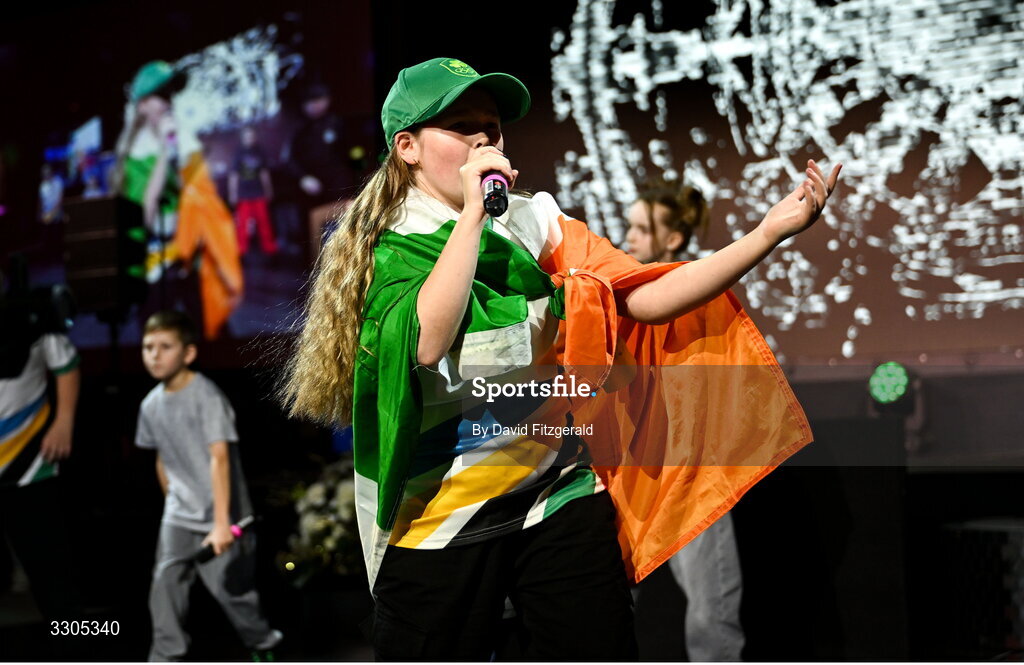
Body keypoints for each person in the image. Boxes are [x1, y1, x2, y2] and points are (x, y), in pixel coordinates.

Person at [280, 57, 841, 661]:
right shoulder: (387, 244)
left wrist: (766, 232)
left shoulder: (535, 218)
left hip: (556, 494)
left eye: (491, 128)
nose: (482, 141)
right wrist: (472, 215)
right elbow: (426, 340)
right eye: (460, 126)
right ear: (408, 148)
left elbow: (644, 296)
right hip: (438, 519)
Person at [625, 179, 744, 661]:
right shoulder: (626, 290)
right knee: (606, 595)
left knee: (710, 605)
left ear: (673, 238)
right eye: (629, 226)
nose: (628, 237)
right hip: (633, 467)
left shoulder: (698, 287)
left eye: (640, 228)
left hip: (691, 468)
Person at [135, 310, 281, 661]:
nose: (154, 355)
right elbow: (162, 458)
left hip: (222, 513)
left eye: (165, 346)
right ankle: (165, 656)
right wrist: (172, 499)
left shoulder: (206, 396)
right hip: (180, 515)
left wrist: (220, 524)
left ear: (188, 353)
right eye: (148, 347)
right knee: (165, 587)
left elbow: (219, 459)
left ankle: (263, 643)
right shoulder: (150, 404)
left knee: (231, 592)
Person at [114, 61, 244, 340]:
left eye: (170, 95)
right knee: (161, 341)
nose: (168, 102)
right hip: (155, 266)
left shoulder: (183, 143)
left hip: (189, 259)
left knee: (215, 332)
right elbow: (146, 217)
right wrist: (164, 151)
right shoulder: (135, 155)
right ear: (142, 106)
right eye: (160, 95)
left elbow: (202, 198)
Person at [0, 274, 83, 642]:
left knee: (50, 571)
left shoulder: (33, 318)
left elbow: (66, 365)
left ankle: (74, 644)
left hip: (29, 462)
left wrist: (64, 421)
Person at [229, 126, 278, 256]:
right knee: (243, 226)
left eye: (251, 136)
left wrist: (268, 190)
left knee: (264, 223)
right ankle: (241, 252)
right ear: (242, 138)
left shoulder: (260, 152)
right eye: (246, 136)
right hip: (244, 194)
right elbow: (234, 175)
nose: (249, 139)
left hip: (259, 193)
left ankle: (270, 250)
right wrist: (233, 193)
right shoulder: (238, 154)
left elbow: (264, 173)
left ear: (254, 137)